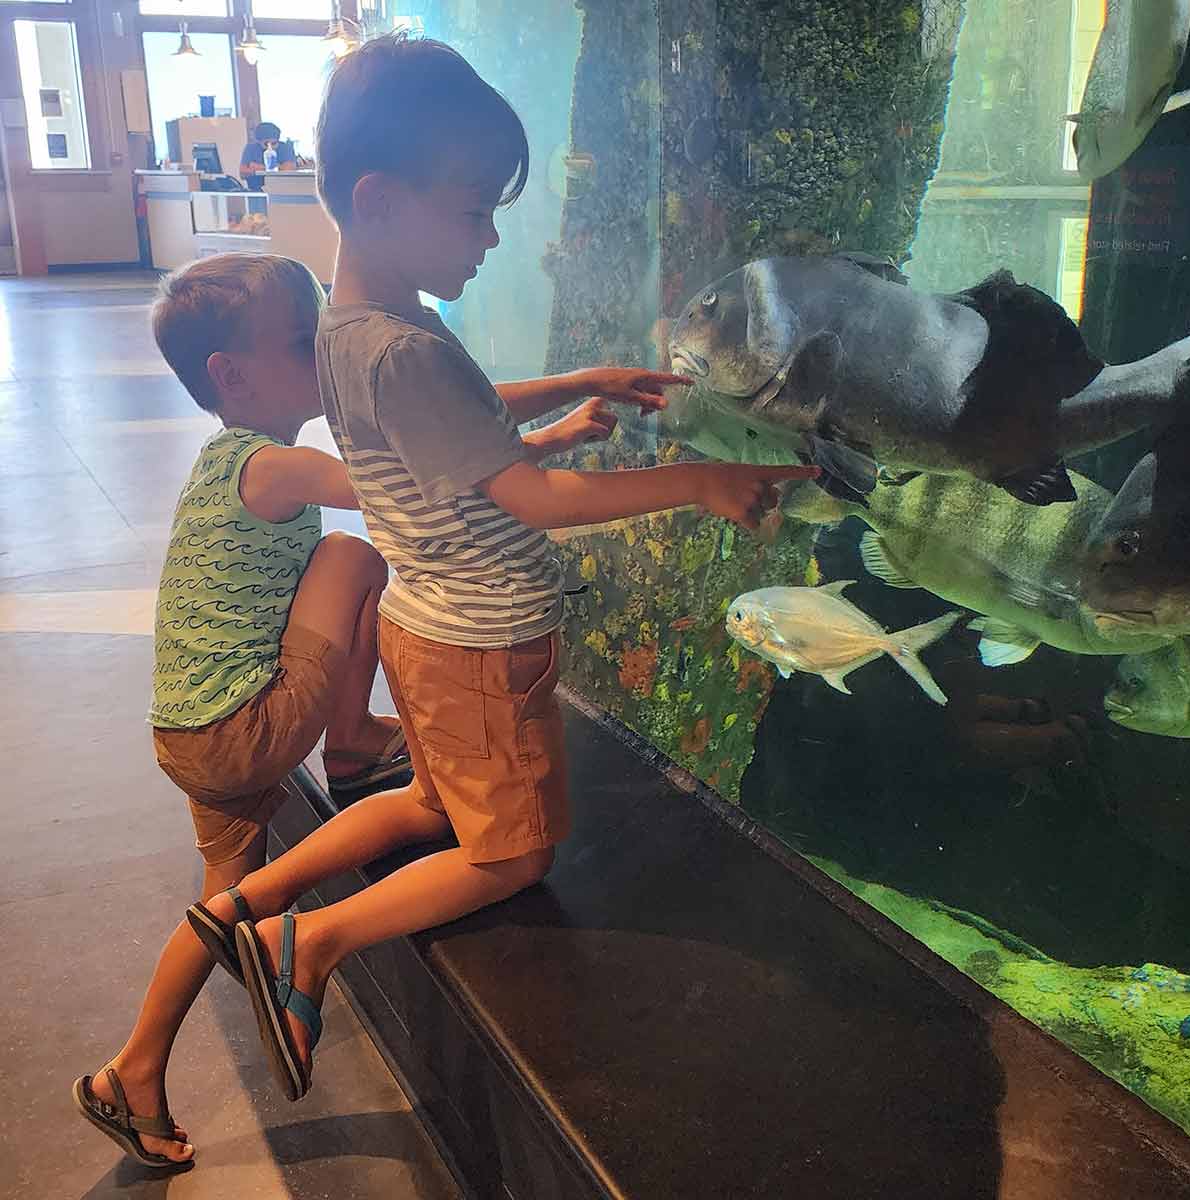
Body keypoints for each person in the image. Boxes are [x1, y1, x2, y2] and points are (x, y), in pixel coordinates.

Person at [209, 35, 819, 1108]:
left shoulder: (353, 329)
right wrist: (699, 479)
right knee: (512, 856)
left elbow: (459, 413)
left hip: (424, 624)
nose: (492, 236)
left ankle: (249, 900)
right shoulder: (406, 346)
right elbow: (536, 500)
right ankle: (309, 942)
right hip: (482, 645)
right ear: (380, 200)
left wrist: (577, 386)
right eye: (473, 211)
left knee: (434, 800)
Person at [69, 252, 656, 1167]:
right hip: (243, 728)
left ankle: (132, 1071)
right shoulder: (274, 465)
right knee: (354, 559)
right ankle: (348, 744)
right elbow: (429, 459)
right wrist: (550, 434)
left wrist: (563, 406)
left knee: (227, 903)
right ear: (231, 374)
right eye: (301, 342)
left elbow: (438, 435)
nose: (324, 355)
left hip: (190, 733)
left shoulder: (233, 460)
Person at [240, 121, 296, 191]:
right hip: (256, 189)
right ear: (259, 141)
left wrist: (259, 167)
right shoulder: (251, 148)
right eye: (266, 144)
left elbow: (289, 169)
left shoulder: (285, 148)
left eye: (274, 143)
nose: (270, 147)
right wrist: (278, 167)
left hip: (281, 188)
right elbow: (242, 173)